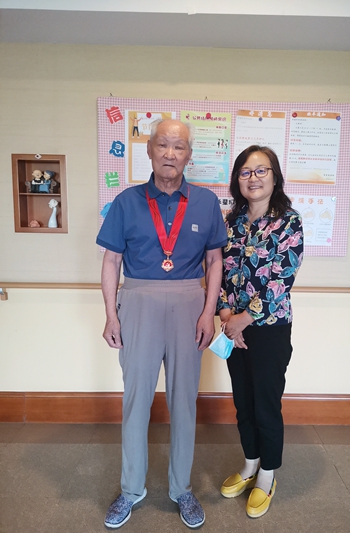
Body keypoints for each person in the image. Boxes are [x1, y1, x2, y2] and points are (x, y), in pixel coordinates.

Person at [96, 118, 227, 530]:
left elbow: (215, 261)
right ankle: (131, 489)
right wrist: (111, 313)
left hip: (190, 303)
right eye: (163, 145)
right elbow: (112, 260)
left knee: (184, 400)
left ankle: (181, 488)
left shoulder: (205, 202)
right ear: (150, 150)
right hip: (138, 301)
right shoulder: (126, 201)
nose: (170, 153)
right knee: (136, 399)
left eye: (179, 146)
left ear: (189, 155)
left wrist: (207, 311)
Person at [217, 145, 303, 519]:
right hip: (232, 327)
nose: (253, 178)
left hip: (269, 329)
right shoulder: (231, 222)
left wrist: (242, 319)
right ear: (237, 179)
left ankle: (267, 475)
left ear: (275, 176)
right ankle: (250, 463)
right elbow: (216, 269)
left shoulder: (289, 222)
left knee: (266, 404)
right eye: (245, 172)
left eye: (261, 170)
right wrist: (225, 312)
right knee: (243, 402)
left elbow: (282, 279)